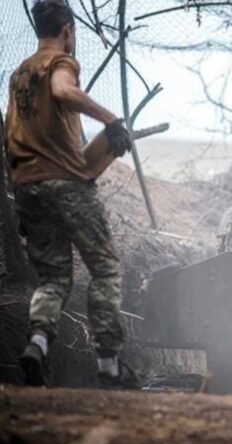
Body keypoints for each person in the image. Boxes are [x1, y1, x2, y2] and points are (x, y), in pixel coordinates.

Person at [5, 0, 134, 388]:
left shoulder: (18, 74)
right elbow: (63, 90)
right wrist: (110, 119)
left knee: (53, 278)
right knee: (106, 268)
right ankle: (109, 363)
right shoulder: (60, 63)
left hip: (27, 187)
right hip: (65, 183)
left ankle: (38, 344)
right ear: (67, 31)